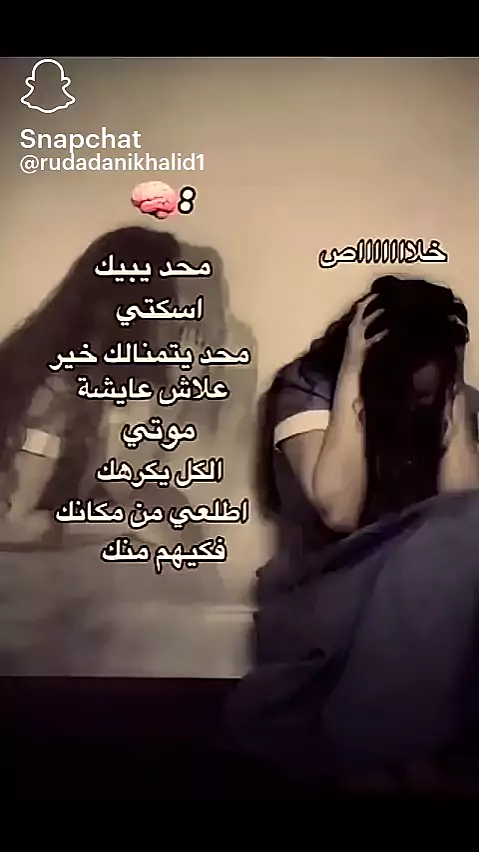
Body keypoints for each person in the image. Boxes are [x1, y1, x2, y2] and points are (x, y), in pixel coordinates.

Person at [225, 275, 479, 787]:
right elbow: (338, 511)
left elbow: (462, 513)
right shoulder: (309, 388)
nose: (422, 396)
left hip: (421, 596)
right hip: (325, 588)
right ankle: (382, 750)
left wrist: (452, 398)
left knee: (461, 533)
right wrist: (351, 376)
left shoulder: (455, 400)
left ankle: (403, 748)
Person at [0, 226, 225, 603]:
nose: (183, 319)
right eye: (172, 301)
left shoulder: (98, 381)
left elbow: (126, 475)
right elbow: (14, 523)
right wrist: (124, 527)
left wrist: (179, 399)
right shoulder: (56, 391)